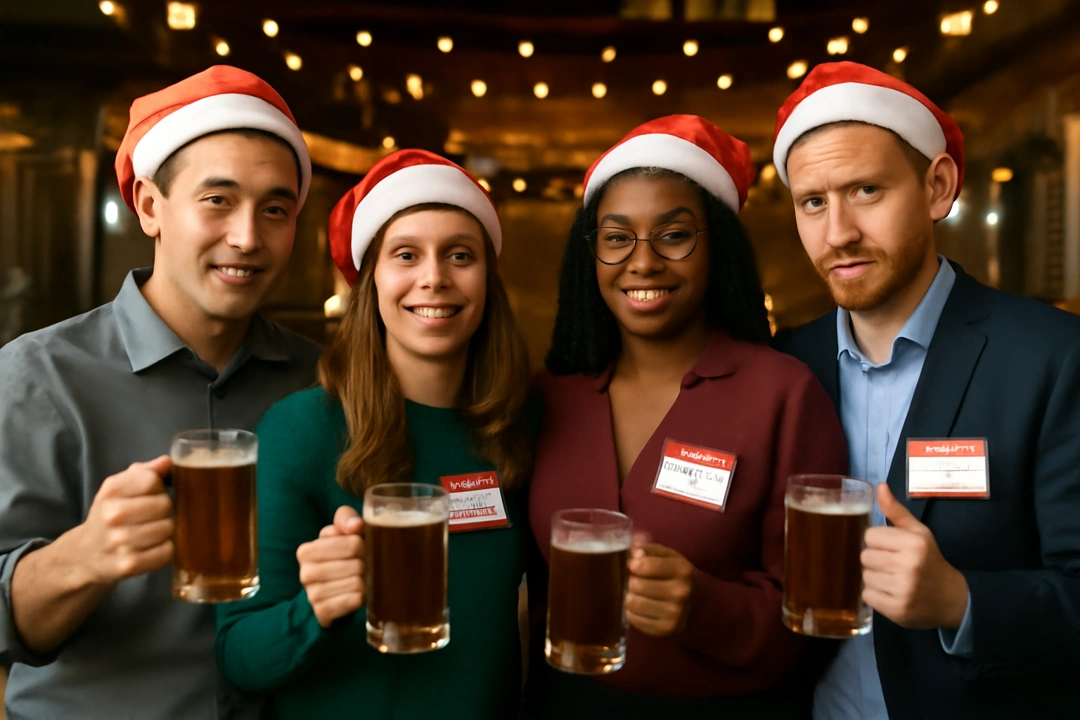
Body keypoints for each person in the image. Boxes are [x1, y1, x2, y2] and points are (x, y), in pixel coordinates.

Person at [0, 66, 321, 719]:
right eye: (217, 200)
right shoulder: (37, 375)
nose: (247, 238)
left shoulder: (326, 382)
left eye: (276, 209)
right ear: (149, 205)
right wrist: (81, 557)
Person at [772, 61, 1080, 719]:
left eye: (866, 190)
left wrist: (961, 602)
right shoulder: (784, 367)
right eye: (813, 203)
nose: (838, 233)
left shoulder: (1053, 358)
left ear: (937, 187)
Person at [525, 115, 848, 718]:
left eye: (674, 236)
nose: (642, 263)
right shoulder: (550, 397)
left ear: (717, 246)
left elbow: (818, 618)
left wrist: (706, 608)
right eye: (617, 237)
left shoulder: (784, 394)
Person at [215, 150, 535, 719]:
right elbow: (240, 656)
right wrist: (317, 608)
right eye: (406, 255)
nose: (434, 278)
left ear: (489, 279)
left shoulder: (520, 426)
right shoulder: (302, 429)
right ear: (372, 282)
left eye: (460, 255)